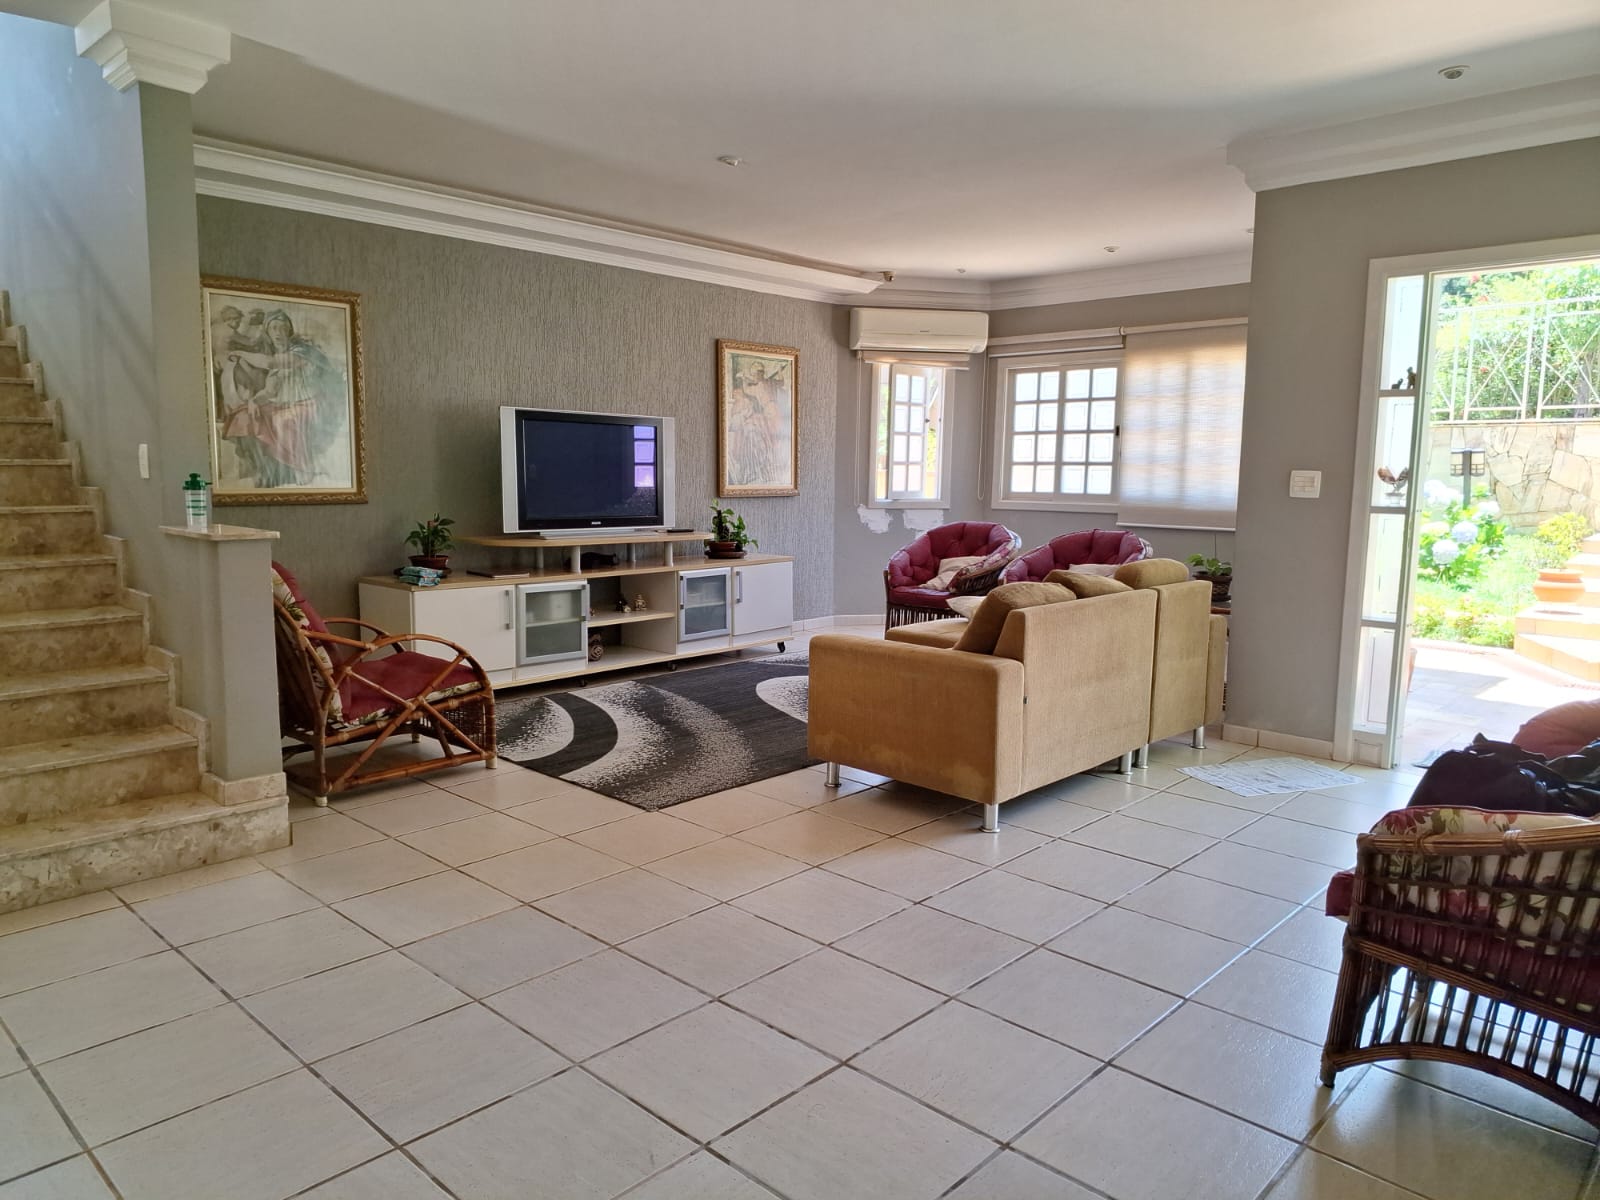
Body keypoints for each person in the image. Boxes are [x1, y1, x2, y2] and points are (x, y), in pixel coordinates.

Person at [217, 309, 344, 488]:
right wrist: (254, 401)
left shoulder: (301, 350)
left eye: (283, 328)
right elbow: (270, 391)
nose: (278, 333)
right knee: (243, 416)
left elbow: (270, 362)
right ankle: (265, 470)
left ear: (289, 331)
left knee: (282, 420)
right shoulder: (277, 358)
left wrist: (240, 353)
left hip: (311, 405)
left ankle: (300, 473)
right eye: (274, 328)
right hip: (286, 405)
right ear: (267, 333)